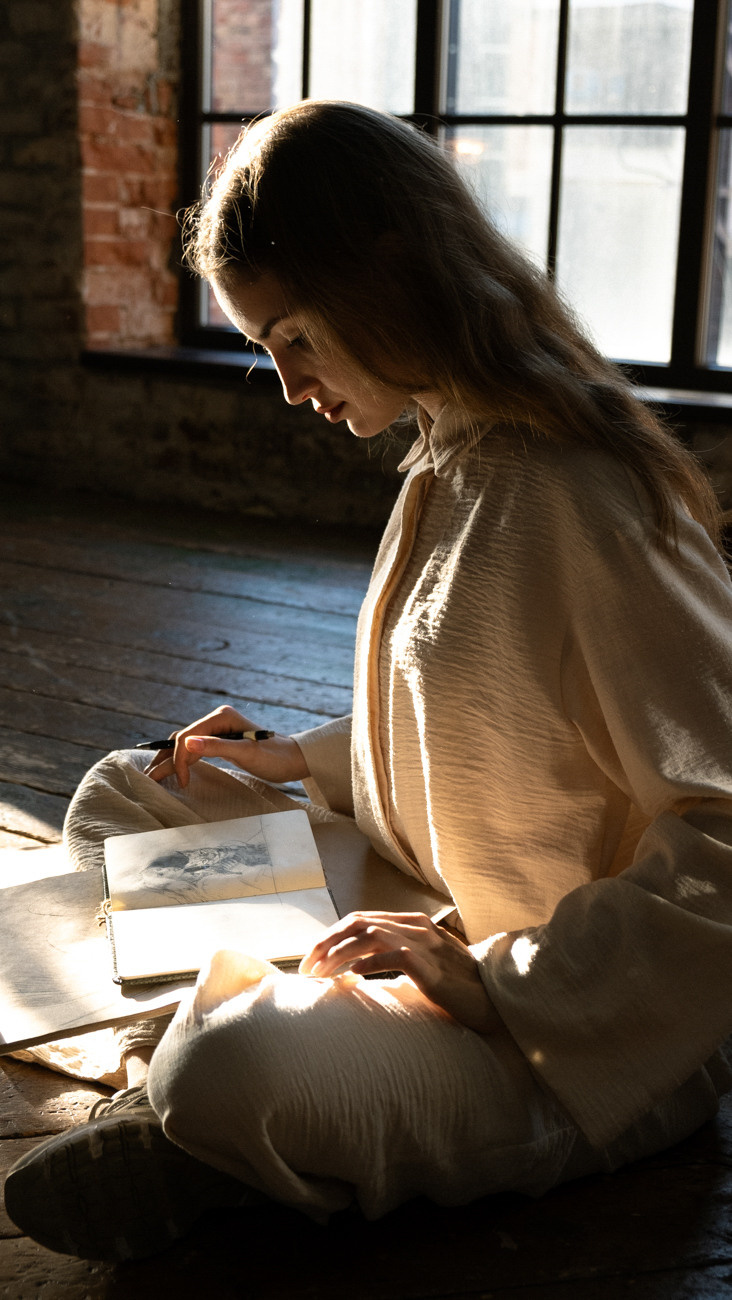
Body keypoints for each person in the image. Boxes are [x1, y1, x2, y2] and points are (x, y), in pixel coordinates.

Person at [6, 99, 732, 1262]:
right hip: (413, 892)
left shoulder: (583, 495)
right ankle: (215, 1081)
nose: (290, 384)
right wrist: (293, 761)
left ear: (385, 269)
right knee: (131, 788)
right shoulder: (453, 453)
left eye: (294, 336)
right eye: (264, 349)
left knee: (232, 1068)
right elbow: (480, 716)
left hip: (562, 1026)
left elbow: (724, 840)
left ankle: (203, 1091)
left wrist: (496, 982)